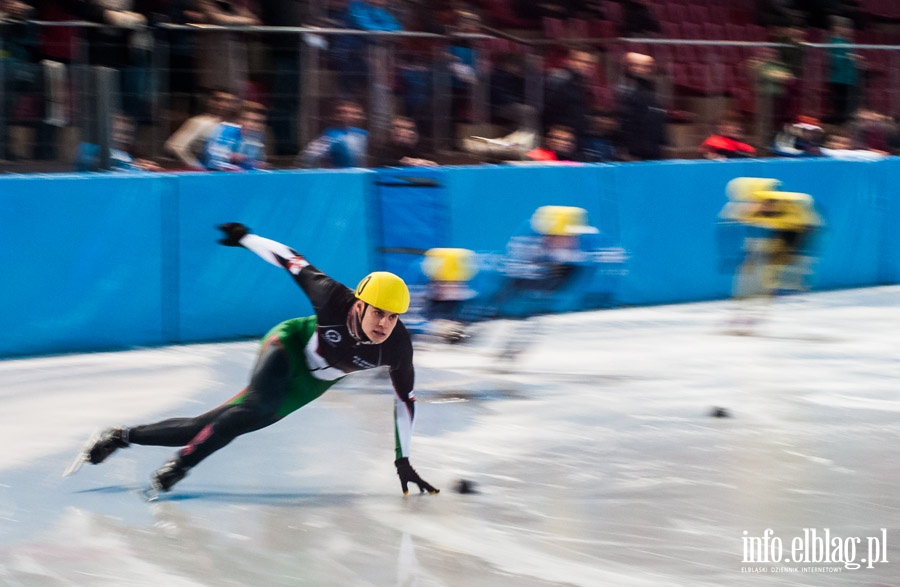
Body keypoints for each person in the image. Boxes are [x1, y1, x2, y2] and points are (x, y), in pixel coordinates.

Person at [78, 222, 440, 497]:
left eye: (394, 317)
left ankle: (119, 437)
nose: (385, 324)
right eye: (379, 313)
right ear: (360, 304)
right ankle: (180, 467)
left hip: (311, 384)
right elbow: (290, 259)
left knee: (207, 425)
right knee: (253, 407)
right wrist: (246, 238)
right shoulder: (332, 297)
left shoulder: (396, 346)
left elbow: (405, 401)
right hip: (288, 345)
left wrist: (402, 459)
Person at [164, 88, 239, 170]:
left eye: (228, 101)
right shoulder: (200, 122)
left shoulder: (234, 125)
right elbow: (175, 146)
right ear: (210, 101)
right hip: (204, 173)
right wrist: (197, 167)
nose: (223, 104)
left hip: (226, 173)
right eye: (218, 100)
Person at [615, 52, 668, 161]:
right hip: (635, 152)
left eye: (647, 66)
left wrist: (663, 144)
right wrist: (626, 150)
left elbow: (657, 118)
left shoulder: (651, 90)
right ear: (628, 67)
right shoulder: (626, 91)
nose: (642, 69)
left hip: (653, 150)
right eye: (637, 65)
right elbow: (625, 123)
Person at [74, 114, 163, 172]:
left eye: (128, 134)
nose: (123, 137)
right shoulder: (89, 148)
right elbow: (90, 160)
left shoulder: (127, 156)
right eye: (119, 132)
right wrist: (134, 166)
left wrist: (142, 167)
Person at [296, 99, 369, 168]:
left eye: (355, 113)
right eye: (343, 112)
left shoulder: (363, 134)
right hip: (340, 176)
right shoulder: (330, 135)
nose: (349, 116)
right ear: (337, 116)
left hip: (361, 175)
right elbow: (309, 158)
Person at [203, 102, 270, 171]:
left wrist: (248, 161)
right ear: (238, 120)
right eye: (245, 119)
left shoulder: (258, 137)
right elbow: (214, 161)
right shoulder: (223, 130)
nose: (251, 124)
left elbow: (258, 164)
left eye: (256, 121)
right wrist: (231, 157)